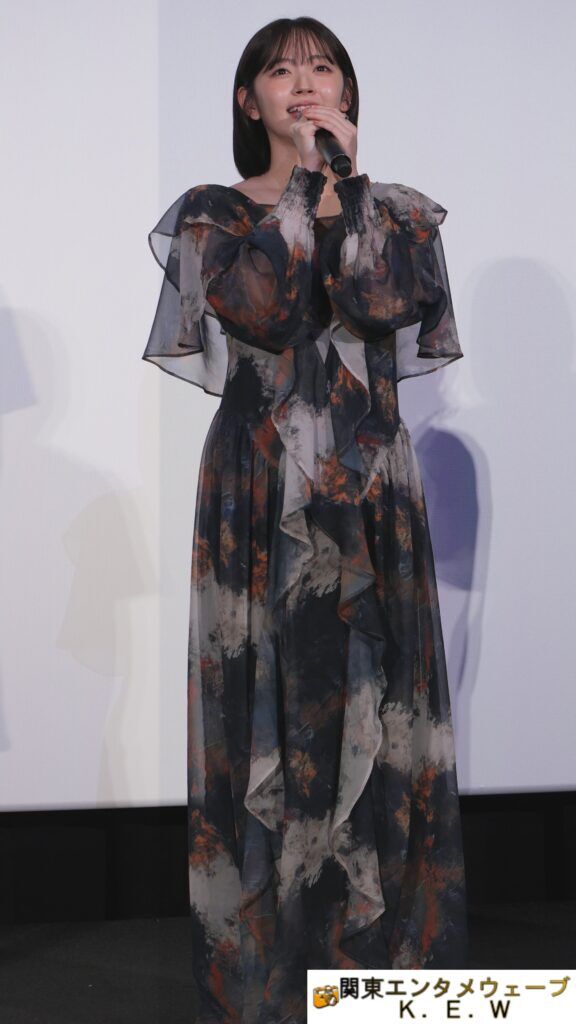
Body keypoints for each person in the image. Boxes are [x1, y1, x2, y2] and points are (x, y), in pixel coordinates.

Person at [142, 15, 469, 1024]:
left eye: (323, 68)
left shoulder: (397, 213)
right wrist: (299, 194)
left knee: (378, 696)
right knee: (266, 704)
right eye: (281, 71)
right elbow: (266, 308)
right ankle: (274, 970)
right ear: (249, 101)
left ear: (349, 95)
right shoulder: (214, 214)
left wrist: (347, 190)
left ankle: (377, 970)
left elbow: (385, 303)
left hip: (369, 493)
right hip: (258, 489)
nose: (305, 84)